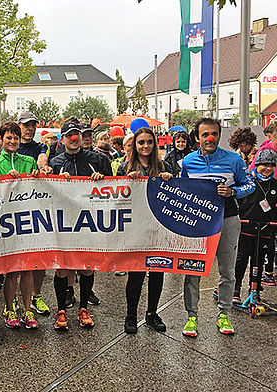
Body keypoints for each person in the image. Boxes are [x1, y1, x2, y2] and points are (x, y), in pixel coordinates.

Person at [181, 118, 255, 337]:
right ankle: (191, 317)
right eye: (205, 134)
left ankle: (224, 314)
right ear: (197, 138)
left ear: (219, 136)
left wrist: (234, 192)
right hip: (197, 223)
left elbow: (249, 184)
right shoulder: (187, 161)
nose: (210, 138)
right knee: (192, 270)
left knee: (227, 270)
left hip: (227, 219)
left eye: (213, 133)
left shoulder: (233, 160)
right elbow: (183, 188)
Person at [49, 122, 112, 330]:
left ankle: (83, 308)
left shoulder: (98, 159)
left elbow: (115, 187)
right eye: (69, 135)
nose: (74, 139)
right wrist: (55, 179)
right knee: (62, 270)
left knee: (87, 268)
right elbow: (47, 192)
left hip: (89, 223)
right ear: (63, 139)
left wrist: (101, 180)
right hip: (64, 224)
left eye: (76, 134)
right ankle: (61, 311)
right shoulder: (56, 162)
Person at [117, 128, 173, 334]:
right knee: (136, 273)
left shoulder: (162, 165)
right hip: (135, 225)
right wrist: (126, 183)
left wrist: (169, 179)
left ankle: (152, 313)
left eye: (149, 142)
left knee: (157, 271)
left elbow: (171, 194)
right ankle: (131, 315)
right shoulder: (125, 166)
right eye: (141, 143)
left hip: (157, 225)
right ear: (135, 145)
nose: (146, 146)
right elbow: (116, 198)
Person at [0, 122, 40, 329]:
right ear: (1, 140)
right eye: (8, 138)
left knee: (27, 269)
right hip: (5, 223)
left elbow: (39, 187)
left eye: (16, 138)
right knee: (11, 271)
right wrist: (3, 180)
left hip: (26, 221)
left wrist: (38, 176)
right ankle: (9, 308)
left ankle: (27, 310)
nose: (12, 141)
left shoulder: (29, 161)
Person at [16, 111, 53, 316]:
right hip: (14, 210)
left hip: (36, 208)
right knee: (15, 259)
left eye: (32, 125)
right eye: (25, 125)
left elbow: (42, 159)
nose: (29, 129)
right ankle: (13, 298)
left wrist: (44, 167)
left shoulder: (40, 146)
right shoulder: (11, 145)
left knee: (39, 258)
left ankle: (36, 295)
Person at [234, 150, 277, 296]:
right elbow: (238, 200)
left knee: (258, 260)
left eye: (272, 165)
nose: (268, 168)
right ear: (257, 164)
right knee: (241, 258)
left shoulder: (274, 184)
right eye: (264, 164)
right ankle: (236, 286)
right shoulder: (248, 181)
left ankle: (255, 288)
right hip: (246, 226)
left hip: (265, 228)